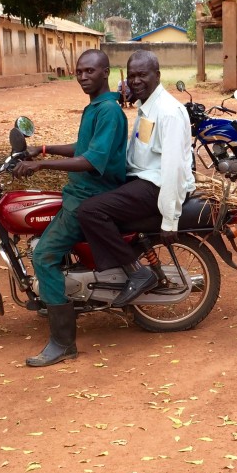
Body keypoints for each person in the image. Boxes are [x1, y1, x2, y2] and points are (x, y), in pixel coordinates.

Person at [11, 49, 127, 367]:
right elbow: (83, 146)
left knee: (43, 256)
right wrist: (42, 148)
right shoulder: (96, 108)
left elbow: (91, 160)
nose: (83, 76)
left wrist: (42, 164)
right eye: (78, 72)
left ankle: (63, 343)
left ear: (105, 72)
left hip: (89, 196)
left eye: (90, 71)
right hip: (78, 193)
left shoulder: (109, 112)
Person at [78, 50, 195, 308]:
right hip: (142, 181)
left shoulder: (168, 112)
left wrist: (169, 220)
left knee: (90, 212)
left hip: (156, 187)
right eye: (131, 76)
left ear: (158, 75)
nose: (135, 81)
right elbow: (140, 154)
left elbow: (173, 168)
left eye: (142, 75)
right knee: (90, 199)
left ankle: (136, 271)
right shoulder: (146, 107)